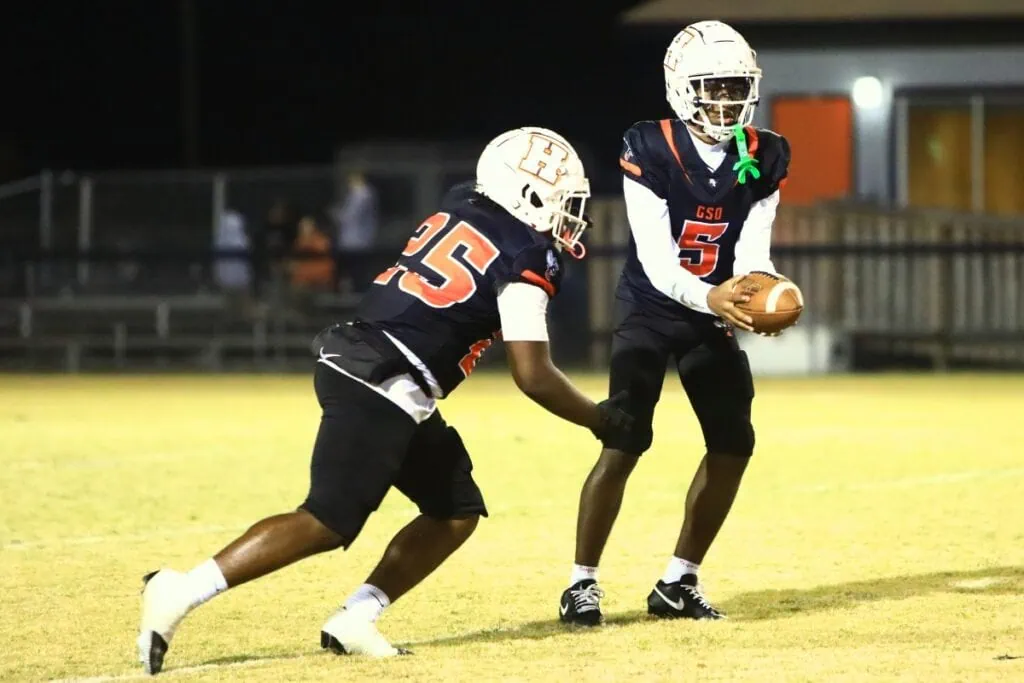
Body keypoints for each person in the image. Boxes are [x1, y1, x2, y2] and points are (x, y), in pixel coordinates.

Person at [137, 126, 634, 674]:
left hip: (384, 366)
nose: (573, 214)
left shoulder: (461, 203)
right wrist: (600, 419)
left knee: (454, 510)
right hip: (384, 376)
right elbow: (533, 373)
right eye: (565, 199)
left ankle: (356, 617)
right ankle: (181, 590)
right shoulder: (527, 256)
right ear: (527, 194)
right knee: (327, 519)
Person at [558, 20, 791, 626]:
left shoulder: (765, 152)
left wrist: (760, 291)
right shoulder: (648, 144)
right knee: (624, 438)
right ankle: (581, 582)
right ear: (681, 88)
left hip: (711, 307)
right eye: (713, 87)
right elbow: (658, 261)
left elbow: (753, 249)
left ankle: (679, 581)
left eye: (736, 87)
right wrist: (714, 297)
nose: (727, 100)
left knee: (734, 440)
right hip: (651, 307)